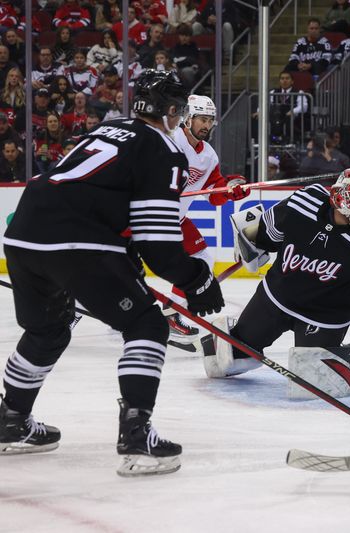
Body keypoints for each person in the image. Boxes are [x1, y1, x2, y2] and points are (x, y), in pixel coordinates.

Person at [0, 70, 224, 476]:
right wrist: (197, 279)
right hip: (77, 242)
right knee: (147, 326)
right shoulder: (162, 149)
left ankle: (11, 420)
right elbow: (158, 244)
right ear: (174, 111)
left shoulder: (109, 129)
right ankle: (137, 437)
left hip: (22, 235)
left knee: (47, 330)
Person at [202, 167, 350, 383]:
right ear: (340, 198)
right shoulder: (304, 202)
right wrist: (251, 239)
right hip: (275, 300)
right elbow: (269, 231)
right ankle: (239, 337)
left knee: (313, 374)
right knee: (225, 359)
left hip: (324, 317)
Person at [164, 94, 250, 342]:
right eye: (202, 119)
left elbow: (214, 195)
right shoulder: (169, 140)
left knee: (202, 258)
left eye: (210, 120)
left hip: (176, 220)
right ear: (188, 119)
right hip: (144, 216)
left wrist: (231, 189)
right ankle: (72, 307)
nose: (206, 125)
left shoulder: (209, 155)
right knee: (117, 264)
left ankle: (171, 314)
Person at [268, 71, 309, 145]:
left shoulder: (299, 92)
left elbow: (304, 106)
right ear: (279, 81)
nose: (284, 81)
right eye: (282, 78)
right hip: (275, 120)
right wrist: (259, 111)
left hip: (292, 120)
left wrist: (293, 111)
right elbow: (265, 104)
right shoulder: (273, 92)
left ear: (292, 81)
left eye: (287, 78)